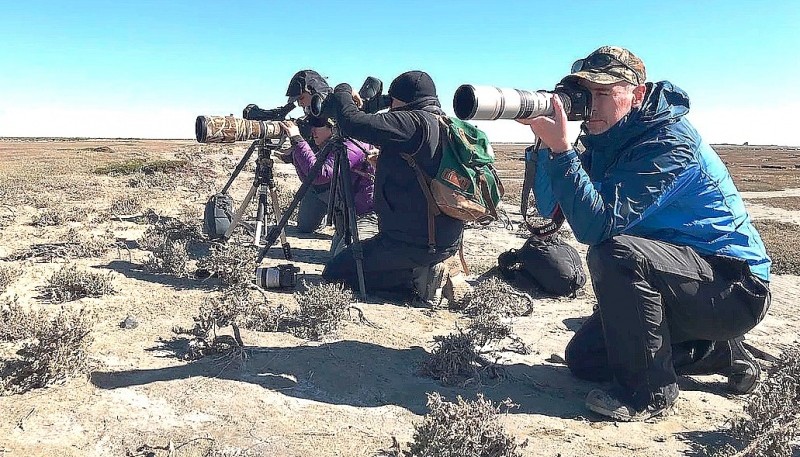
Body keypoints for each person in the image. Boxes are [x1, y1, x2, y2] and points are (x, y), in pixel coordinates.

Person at [520, 46, 771, 422]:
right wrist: (545, 145)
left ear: (636, 95)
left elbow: (595, 227)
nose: (592, 104)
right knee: (585, 360)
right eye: (586, 94)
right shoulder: (605, 141)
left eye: (603, 93)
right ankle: (724, 355)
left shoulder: (668, 141)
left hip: (733, 287)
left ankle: (649, 395)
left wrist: (562, 151)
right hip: (678, 283)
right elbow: (547, 206)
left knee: (616, 252)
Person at [320, 71, 465, 305]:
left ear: (402, 99)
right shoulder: (441, 122)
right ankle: (429, 265)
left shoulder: (412, 121)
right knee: (353, 261)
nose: (390, 107)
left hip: (411, 243)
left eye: (392, 100)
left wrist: (343, 90)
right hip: (440, 237)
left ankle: (419, 277)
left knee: (337, 272)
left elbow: (352, 123)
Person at [278, 115, 377, 254]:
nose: (312, 131)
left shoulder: (353, 143)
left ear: (333, 125)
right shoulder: (333, 145)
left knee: (345, 260)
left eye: (317, 125)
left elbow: (321, 174)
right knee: (334, 262)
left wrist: (298, 140)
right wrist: (296, 149)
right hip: (349, 217)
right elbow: (309, 178)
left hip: (367, 215)